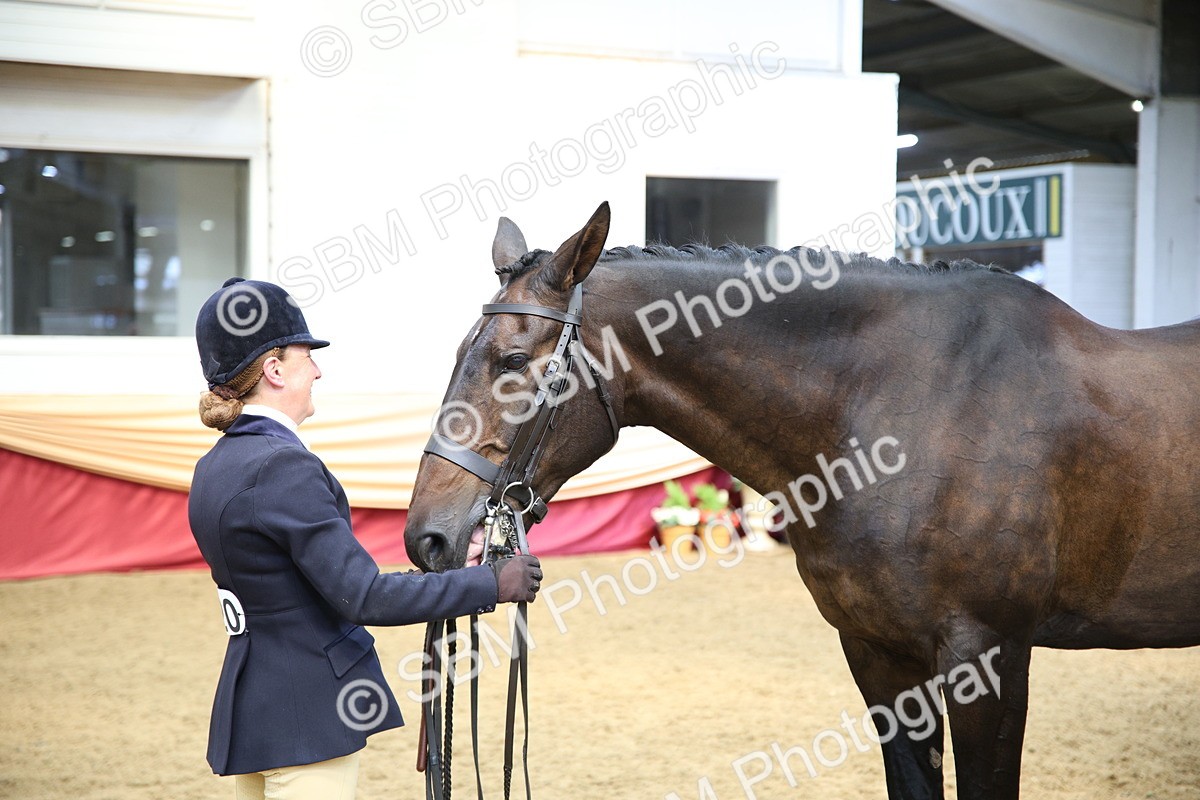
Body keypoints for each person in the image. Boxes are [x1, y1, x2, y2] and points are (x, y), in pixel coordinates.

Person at [188, 277, 542, 800]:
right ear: (274, 369)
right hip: (306, 720)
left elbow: (304, 586)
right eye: (306, 355)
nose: (318, 369)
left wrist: (457, 566)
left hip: (255, 711)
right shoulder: (284, 466)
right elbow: (364, 597)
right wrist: (493, 584)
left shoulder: (214, 466)